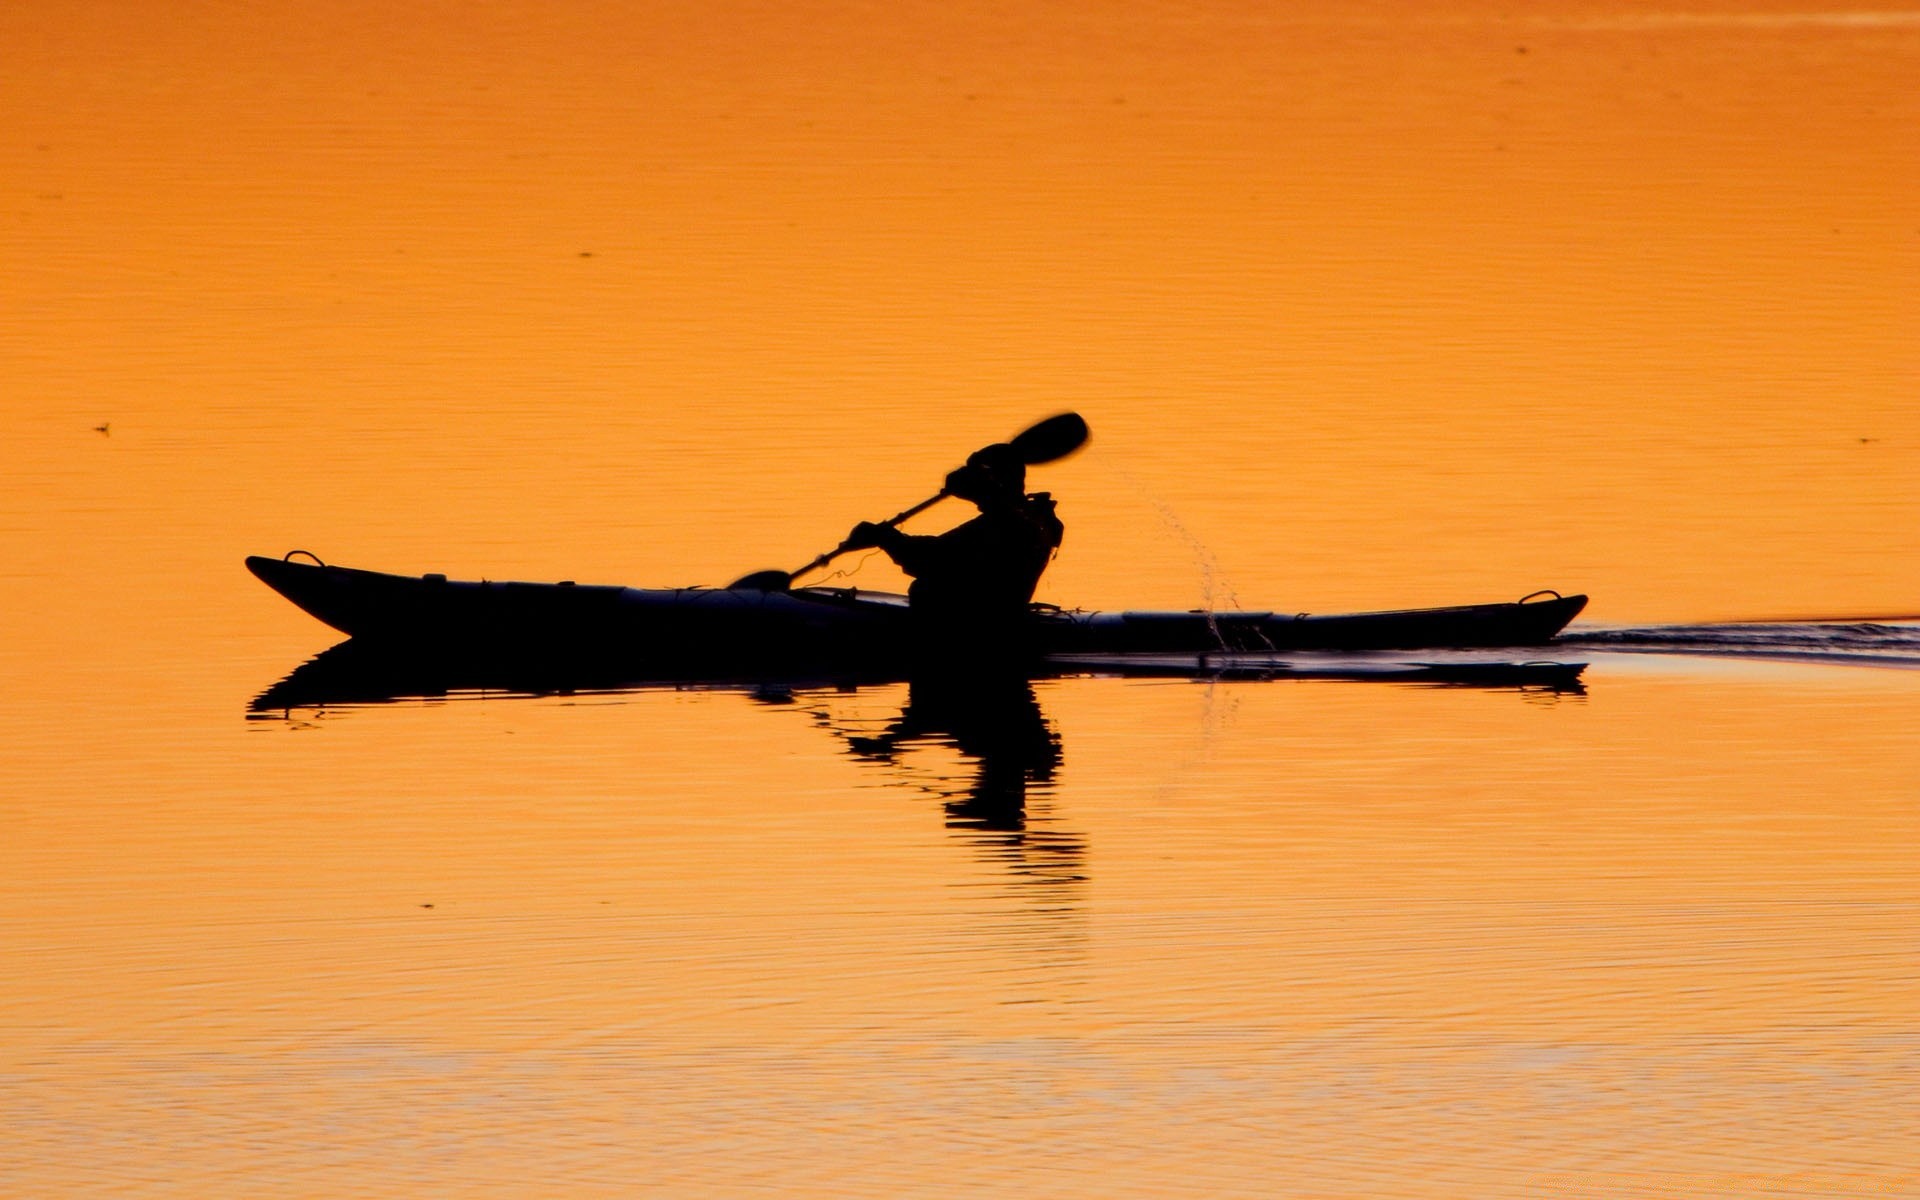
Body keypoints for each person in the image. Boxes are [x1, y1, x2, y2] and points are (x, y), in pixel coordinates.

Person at [842, 442, 1064, 646]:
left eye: (977, 477)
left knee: (927, 587)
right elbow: (949, 550)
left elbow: (930, 559)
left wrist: (884, 537)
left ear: (993, 483)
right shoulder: (1037, 518)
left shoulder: (1004, 526)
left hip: (968, 624)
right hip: (1003, 611)